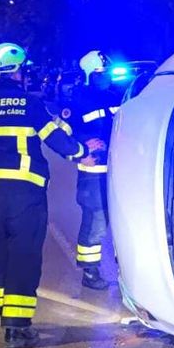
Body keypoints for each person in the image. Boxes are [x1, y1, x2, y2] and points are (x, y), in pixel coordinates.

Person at [0, 42, 93, 348]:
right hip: (25, 194)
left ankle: (3, 308)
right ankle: (16, 328)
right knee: (25, 255)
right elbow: (55, 139)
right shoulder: (29, 104)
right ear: (16, 72)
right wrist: (81, 153)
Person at [64, 50, 122, 290]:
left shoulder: (117, 96)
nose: (106, 77)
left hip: (120, 171)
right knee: (96, 224)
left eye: (107, 72)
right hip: (93, 174)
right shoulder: (76, 102)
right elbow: (61, 136)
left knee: (120, 222)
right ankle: (89, 272)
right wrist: (80, 150)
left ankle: (126, 271)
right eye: (101, 73)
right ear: (90, 75)